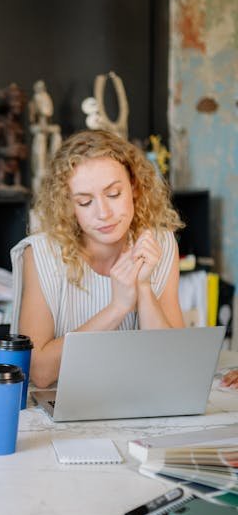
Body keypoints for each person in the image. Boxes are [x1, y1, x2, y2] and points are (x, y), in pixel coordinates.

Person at [10, 130, 185, 388]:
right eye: (84, 202)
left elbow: (175, 363)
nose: (103, 213)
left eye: (113, 194)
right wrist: (118, 307)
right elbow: (39, 372)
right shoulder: (41, 254)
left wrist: (144, 290)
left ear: (134, 187)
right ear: (68, 205)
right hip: (62, 409)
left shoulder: (159, 243)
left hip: (141, 402)